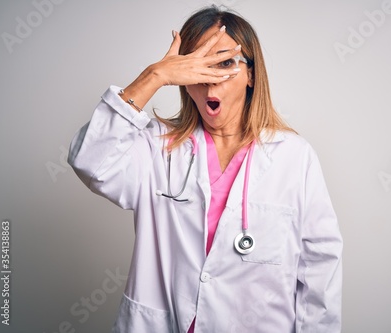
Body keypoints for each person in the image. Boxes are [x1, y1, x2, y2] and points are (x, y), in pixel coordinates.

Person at [68, 5, 342, 333]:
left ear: (251, 74)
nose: (210, 80)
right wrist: (156, 75)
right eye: (197, 66)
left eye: (225, 63)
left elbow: (320, 267)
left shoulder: (294, 157)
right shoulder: (157, 146)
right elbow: (90, 162)